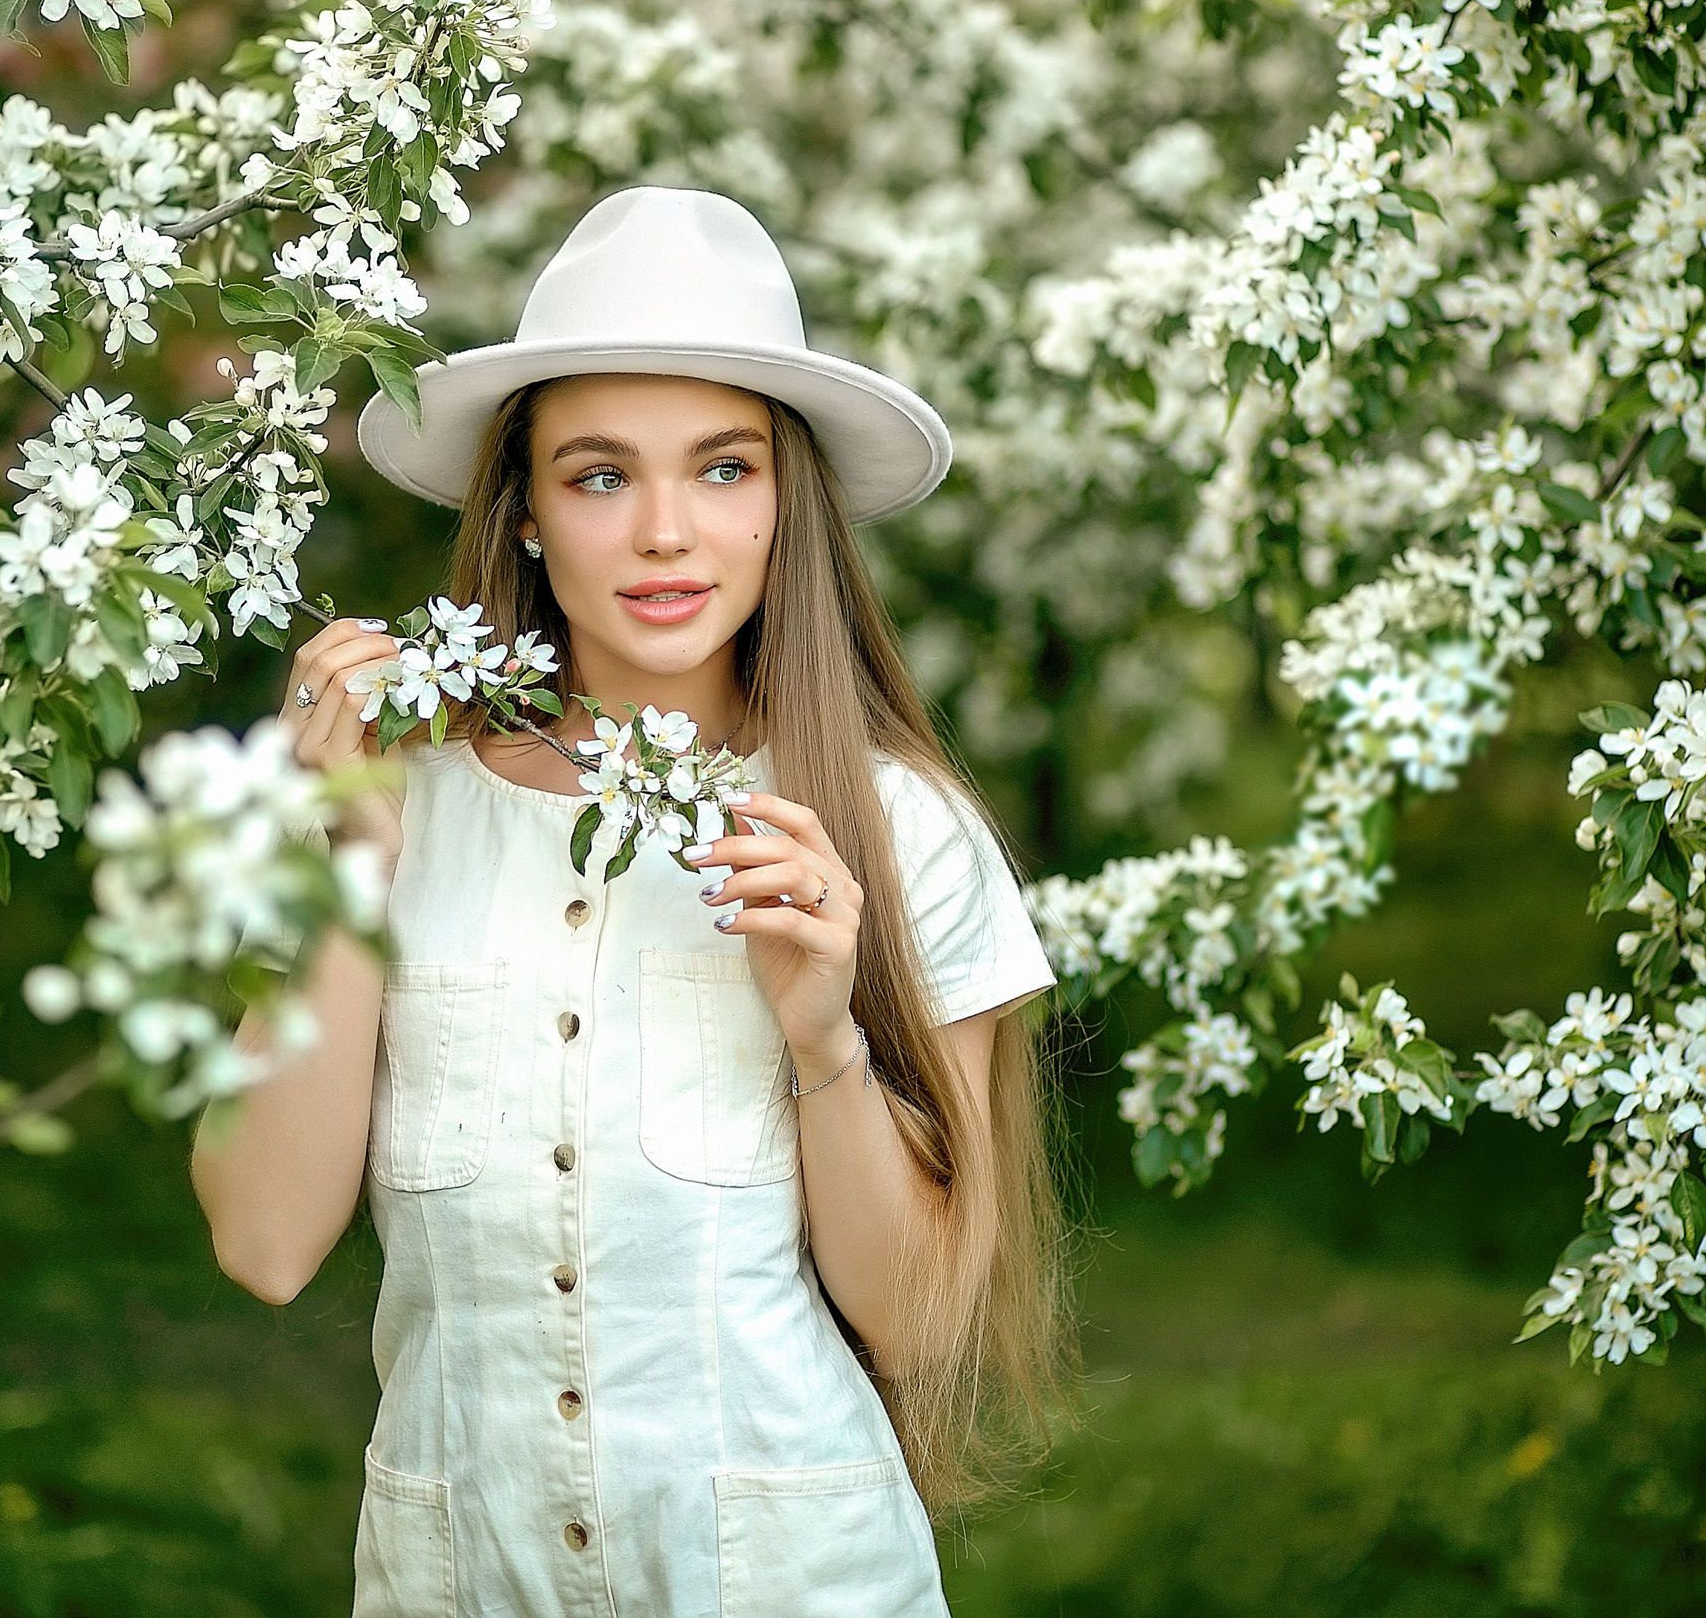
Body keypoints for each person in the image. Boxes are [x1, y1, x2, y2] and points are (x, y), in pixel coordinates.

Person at [190, 185, 1072, 1618]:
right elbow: (264, 1244)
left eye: (723, 470)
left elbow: (921, 1328)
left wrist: (824, 1036)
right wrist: (342, 867)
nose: (667, 532)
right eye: (600, 477)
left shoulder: (900, 832)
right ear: (528, 514)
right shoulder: (391, 804)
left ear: (785, 505)